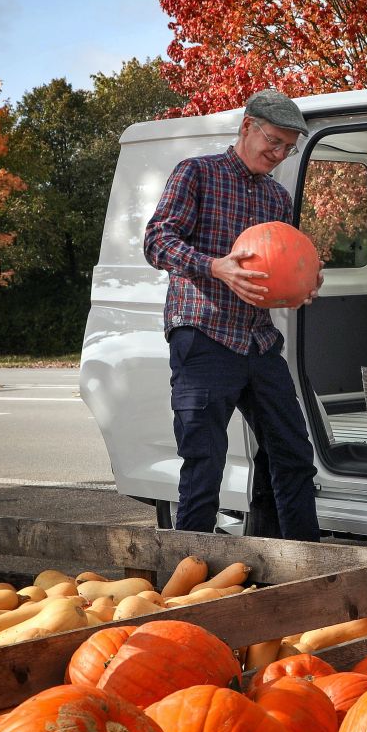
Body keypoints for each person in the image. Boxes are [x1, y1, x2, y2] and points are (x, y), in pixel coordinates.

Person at [143, 89, 320, 540]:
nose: (279, 154)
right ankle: (188, 574)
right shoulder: (197, 173)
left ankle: (305, 563)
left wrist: (302, 285)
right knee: (205, 459)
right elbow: (157, 241)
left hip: (258, 341)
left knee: (294, 453)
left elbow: (281, 262)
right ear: (247, 127)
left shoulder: (278, 200)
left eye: (288, 148)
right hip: (203, 335)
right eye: (274, 142)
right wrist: (214, 266)